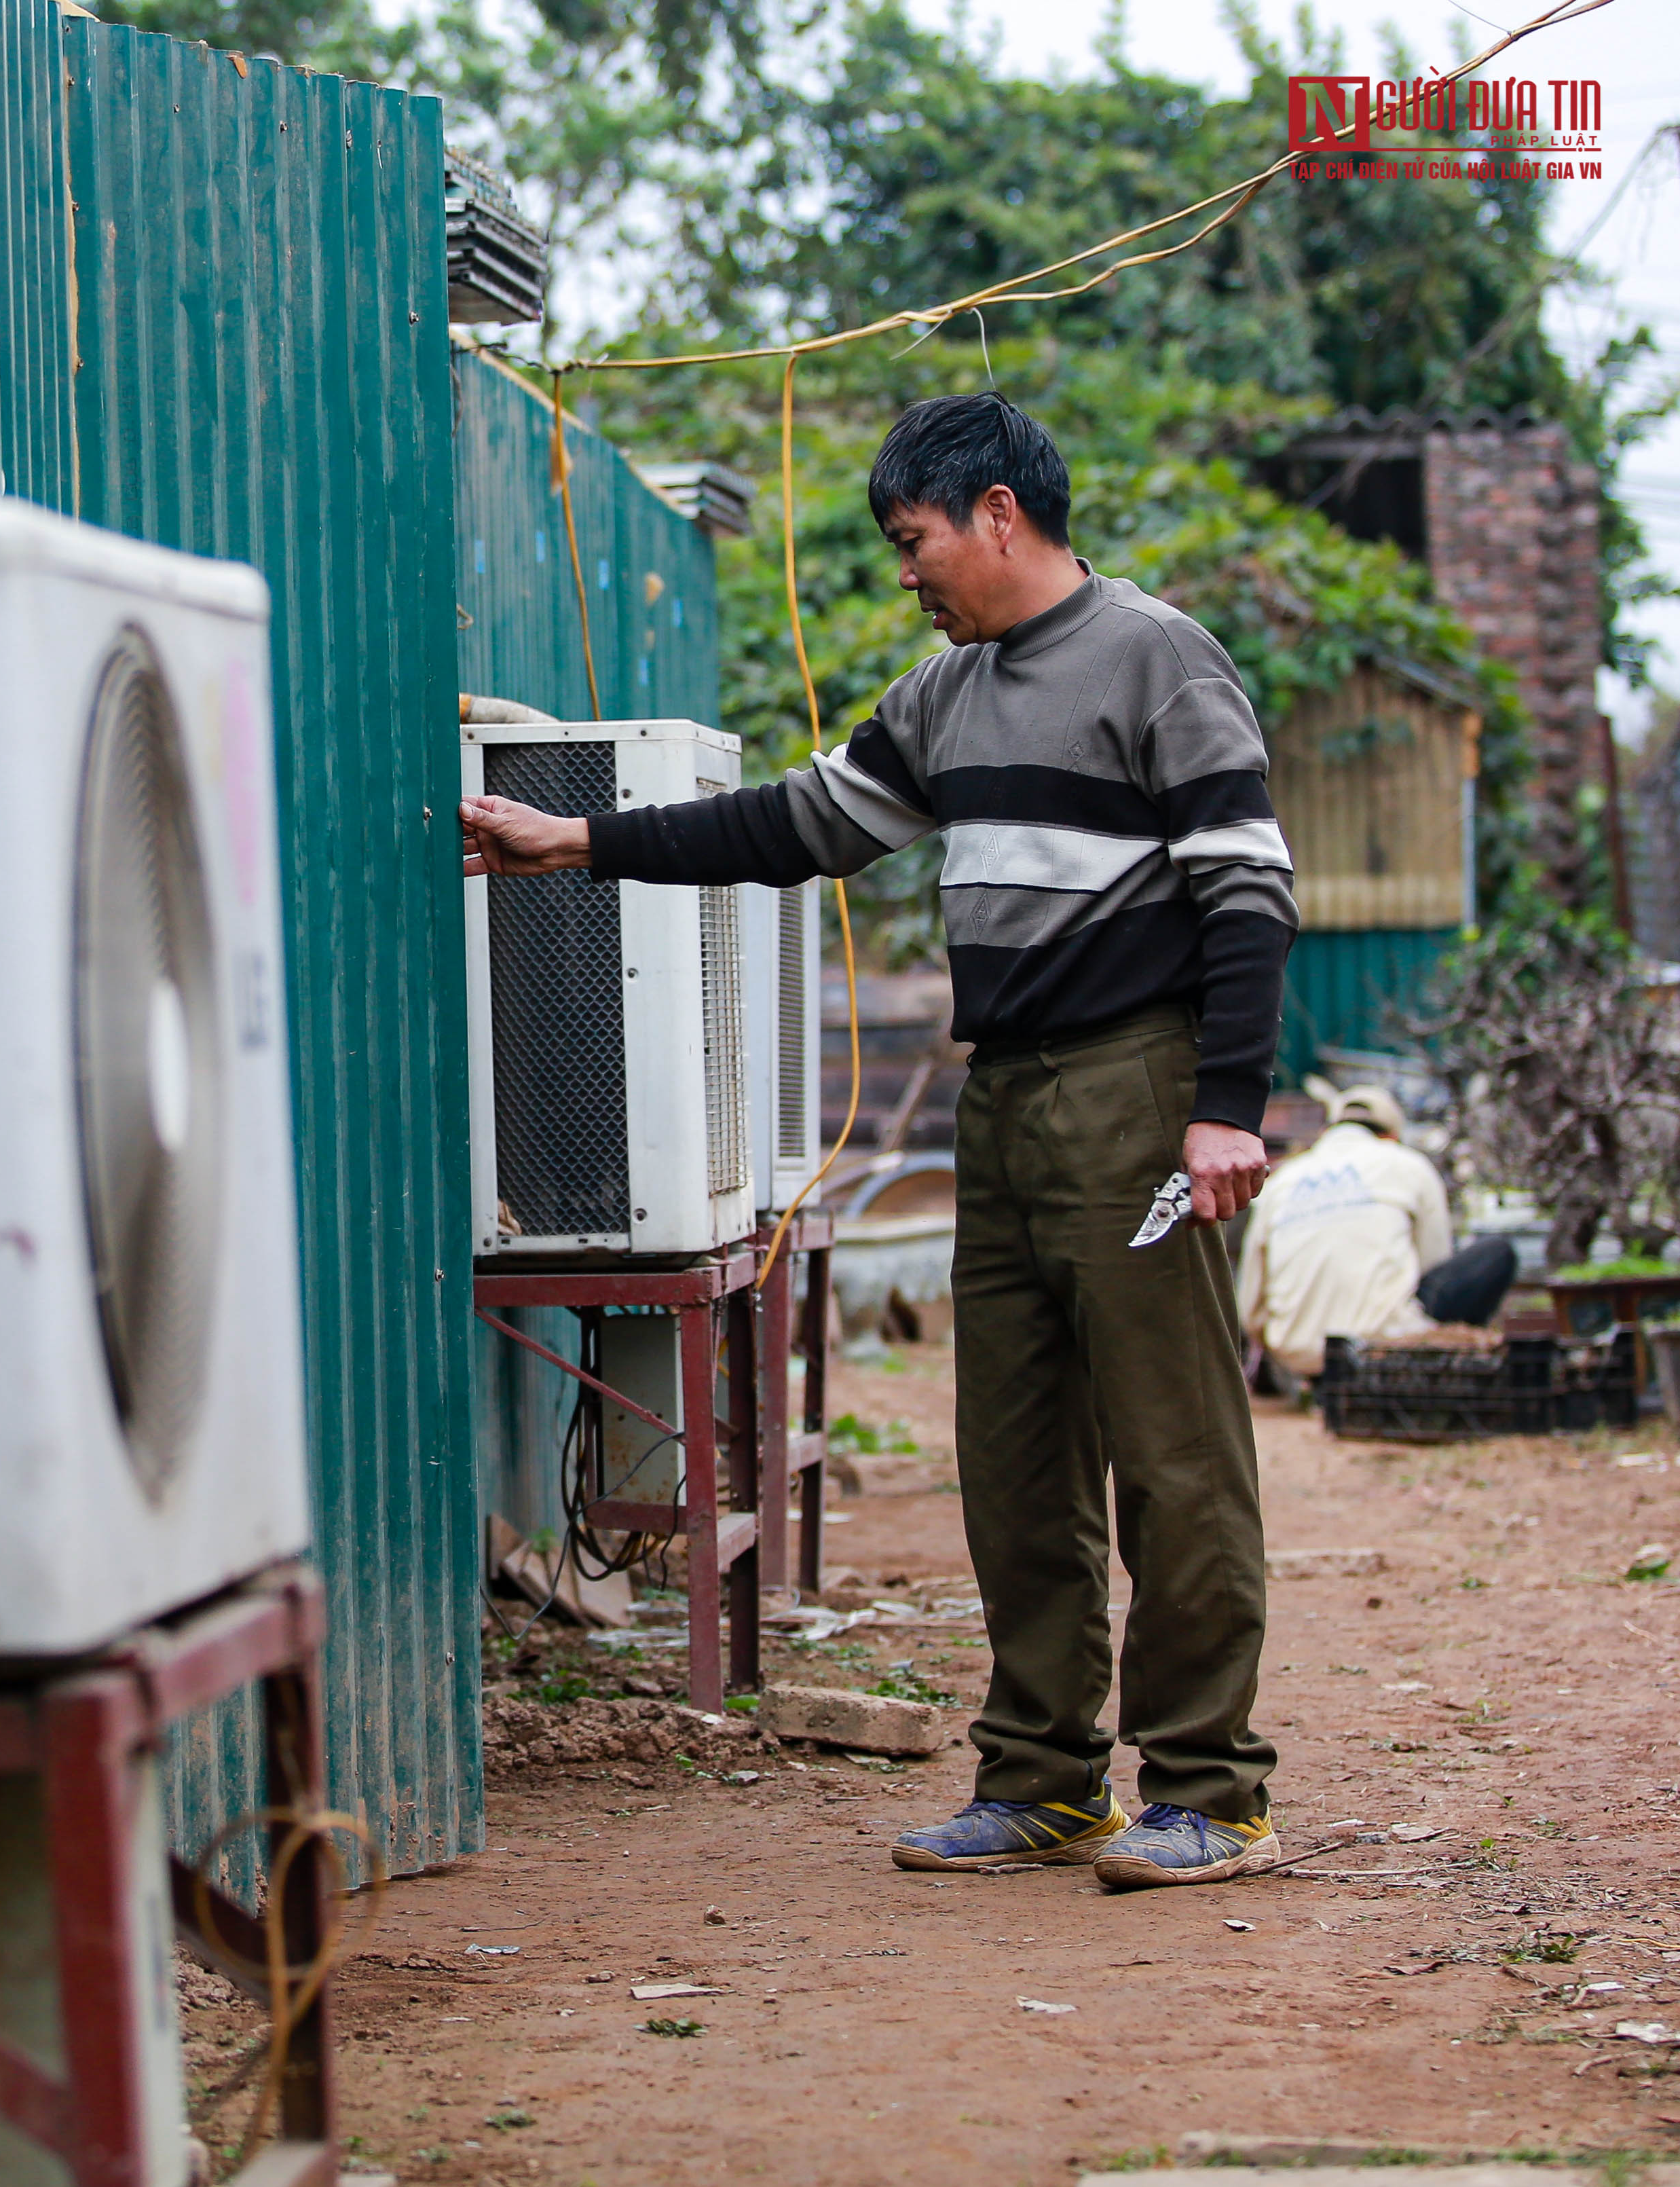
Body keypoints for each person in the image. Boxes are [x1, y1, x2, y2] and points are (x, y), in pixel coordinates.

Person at [462, 393, 1295, 1889]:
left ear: (994, 511)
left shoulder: (1155, 657)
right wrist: (573, 842)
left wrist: (1225, 1104)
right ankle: (1042, 1780)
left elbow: (1245, 886)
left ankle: (1206, 1788)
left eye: (911, 540)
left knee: (1171, 1455)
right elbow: (794, 825)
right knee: (1013, 1455)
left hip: (1135, 1084)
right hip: (1009, 1098)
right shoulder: (945, 693)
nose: (905, 571)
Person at [1236, 1080, 1516, 1382]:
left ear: (1326, 1131)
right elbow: (1433, 1264)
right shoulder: (1410, 1166)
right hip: (1384, 1343)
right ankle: (1447, 1378)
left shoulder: (1282, 1181)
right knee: (1497, 1254)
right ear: (1391, 1135)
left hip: (1298, 1352)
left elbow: (1250, 1304)